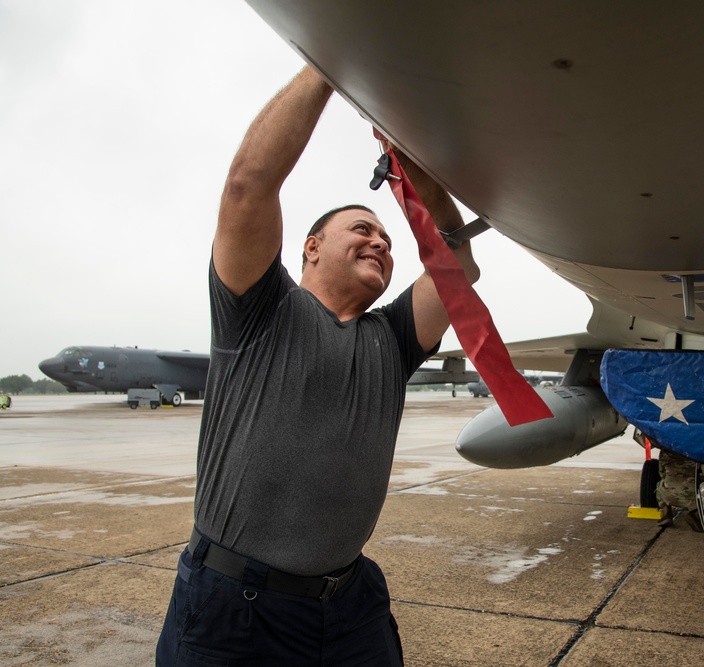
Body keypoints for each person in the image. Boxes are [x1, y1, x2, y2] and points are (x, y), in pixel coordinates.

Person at [156, 65, 479, 666]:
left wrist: (414, 174)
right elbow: (249, 185)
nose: (381, 242)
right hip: (235, 612)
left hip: (350, 606)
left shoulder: (393, 338)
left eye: (387, 237)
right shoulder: (258, 309)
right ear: (311, 247)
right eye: (362, 229)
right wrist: (334, 60)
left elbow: (459, 263)